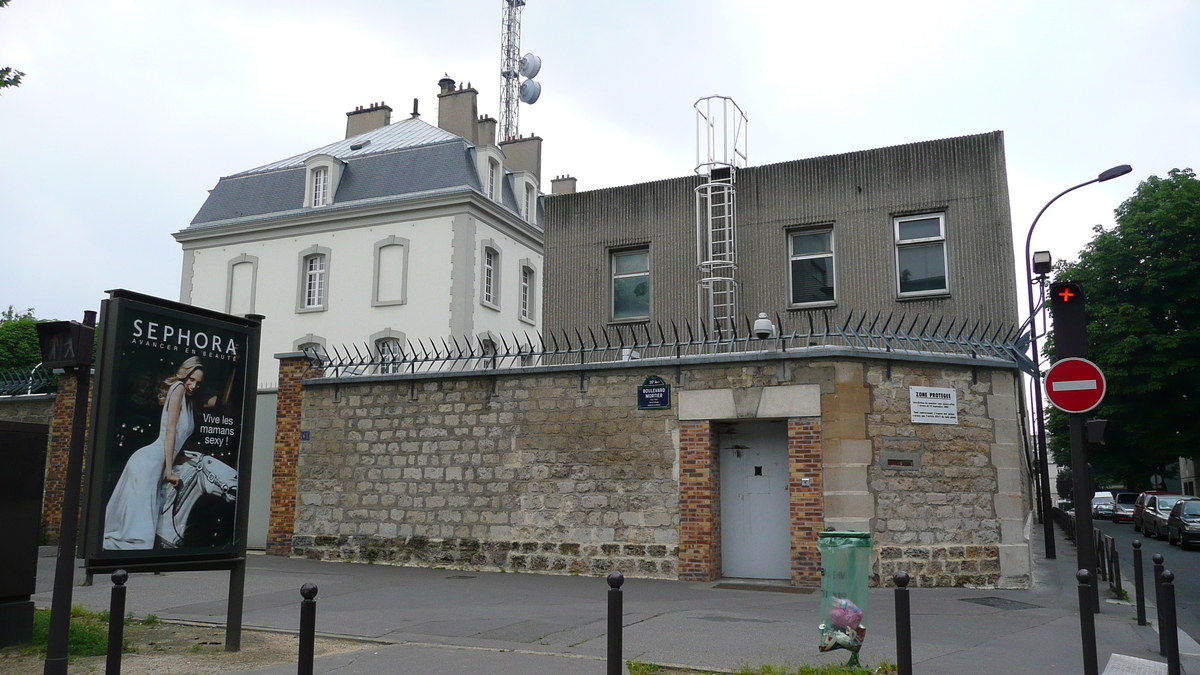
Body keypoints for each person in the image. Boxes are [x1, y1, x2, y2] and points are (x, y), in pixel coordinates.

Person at [103, 356, 205, 550]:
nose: (193, 385)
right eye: (191, 379)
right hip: (150, 462)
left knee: (142, 526)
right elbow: (170, 432)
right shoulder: (178, 389)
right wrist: (168, 470)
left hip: (159, 461)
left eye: (198, 383)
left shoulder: (189, 400)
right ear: (185, 375)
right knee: (138, 533)